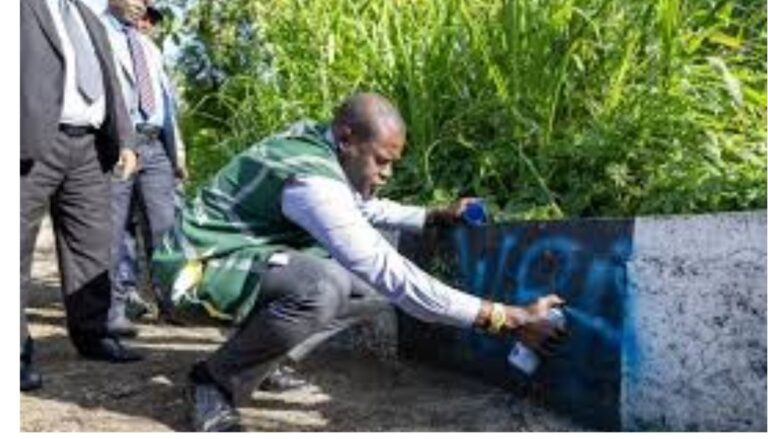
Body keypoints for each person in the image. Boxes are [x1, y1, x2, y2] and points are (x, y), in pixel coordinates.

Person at [152, 93, 566, 432]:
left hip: (238, 258)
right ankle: (214, 382)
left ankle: (262, 361)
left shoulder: (325, 148)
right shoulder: (309, 177)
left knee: (365, 290)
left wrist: (431, 215)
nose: (387, 173)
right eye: (381, 161)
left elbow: (356, 208)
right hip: (191, 272)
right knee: (323, 286)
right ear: (347, 139)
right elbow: (388, 271)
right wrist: (502, 317)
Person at [21, 0, 144, 392]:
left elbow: (111, 83)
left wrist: (126, 140)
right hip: (28, 141)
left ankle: (93, 334)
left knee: (91, 245)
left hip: (89, 146)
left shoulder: (89, 18)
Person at [100, 0, 184, 336]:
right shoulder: (97, 33)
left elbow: (166, 102)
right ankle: (112, 309)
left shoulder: (148, 46)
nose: (142, 5)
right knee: (113, 228)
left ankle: (171, 302)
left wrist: (176, 153)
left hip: (156, 144)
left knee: (165, 226)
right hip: (117, 141)